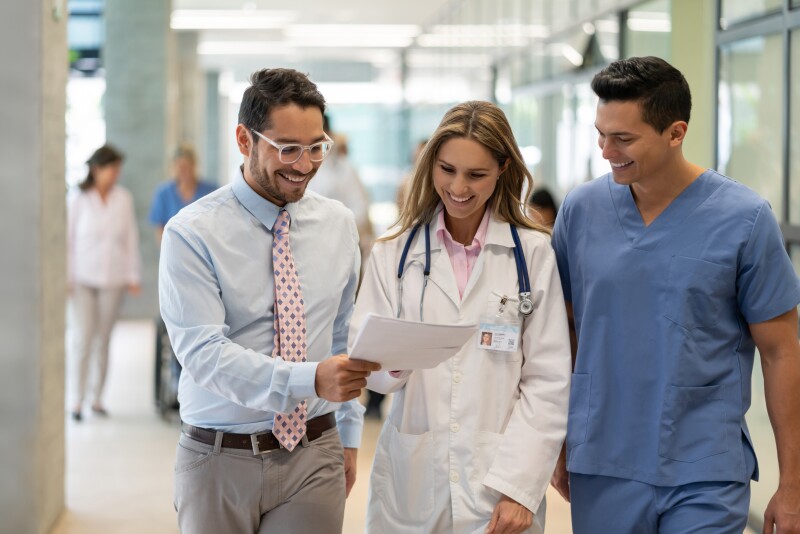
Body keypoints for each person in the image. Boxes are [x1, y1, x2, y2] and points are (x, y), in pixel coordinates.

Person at [550, 56, 800, 534]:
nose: (606, 151)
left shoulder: (744, 219)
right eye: (601, 134)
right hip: (603, 458)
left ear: (675, 132)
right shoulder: (581, 212)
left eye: (623, 138)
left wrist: (794, 484)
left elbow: (781, 351)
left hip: (704, 465)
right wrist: (558, 441)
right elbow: (562, 335)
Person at [158, 68, 381, 534]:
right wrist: (308, 379)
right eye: (287, 149)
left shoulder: (337, 225)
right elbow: (203, 355)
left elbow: (342, 337)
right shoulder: (192, 232)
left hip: (315, 452)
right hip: (220, 456)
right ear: (245, 139)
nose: (304, 164)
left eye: (316, 147)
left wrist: (349, 433)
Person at [351, 100, 572, 533]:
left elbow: (548, 382)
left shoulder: (533, 254)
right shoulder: (393, 253)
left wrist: (519, 488)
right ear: (431, 163)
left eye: (476, 175)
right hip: (411, 482)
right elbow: (368, 369)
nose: (458, 187)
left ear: (503, 169)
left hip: (499, 485)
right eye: (447, 169)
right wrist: (396, 357)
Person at [67, 144, 141, 421]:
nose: (115, 175)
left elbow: (130, 238)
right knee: (83, 338)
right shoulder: (78, 198)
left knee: (104, 339)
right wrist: (66, 277)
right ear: (97, 169)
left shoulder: (123, 198)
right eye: (112, 169)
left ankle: (97, 398)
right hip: (82, 278)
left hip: (113, 277)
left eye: (118, 170)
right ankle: (77, 400)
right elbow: (68, 240)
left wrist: (133, 275)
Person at [149, 144, 217, 245]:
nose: (184, 171)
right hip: (175, 250)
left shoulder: (211, 191)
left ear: (194, 165)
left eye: (187, 166)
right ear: (173, 167)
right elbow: (160, 231)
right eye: (180, 167)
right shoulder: (163, 194)